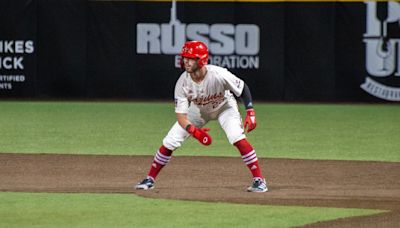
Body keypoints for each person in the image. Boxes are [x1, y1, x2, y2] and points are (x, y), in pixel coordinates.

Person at [135, 41, 268, 192]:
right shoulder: (182, 82)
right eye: (184, 57)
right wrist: (194, 131)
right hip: (198, 110)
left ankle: (259, 180)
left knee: (237, 137)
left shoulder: (218, 74)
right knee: (171, 140)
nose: (186, 61)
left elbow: (243, 88)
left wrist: (250, 111)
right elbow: (181, 116)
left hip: (224, 106)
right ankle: (150, 179)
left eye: (190, 58)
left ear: (202, 60)